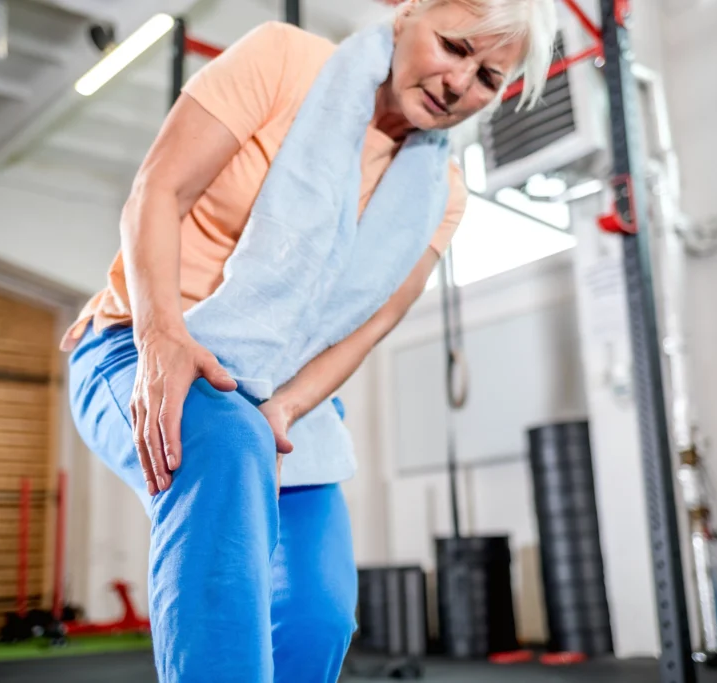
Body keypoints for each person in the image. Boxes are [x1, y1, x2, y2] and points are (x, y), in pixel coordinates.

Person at [64, 1, 557, 680]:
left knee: (317, 612)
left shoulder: (441, 194)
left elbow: (373, 321)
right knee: (228, 445)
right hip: (139, 344)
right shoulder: (282, 60)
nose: (457, 83)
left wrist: (291, 404)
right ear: (406, 10)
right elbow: (158, 189)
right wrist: (161, 337)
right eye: (452, 45)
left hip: (284, 393)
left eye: (488, 78)